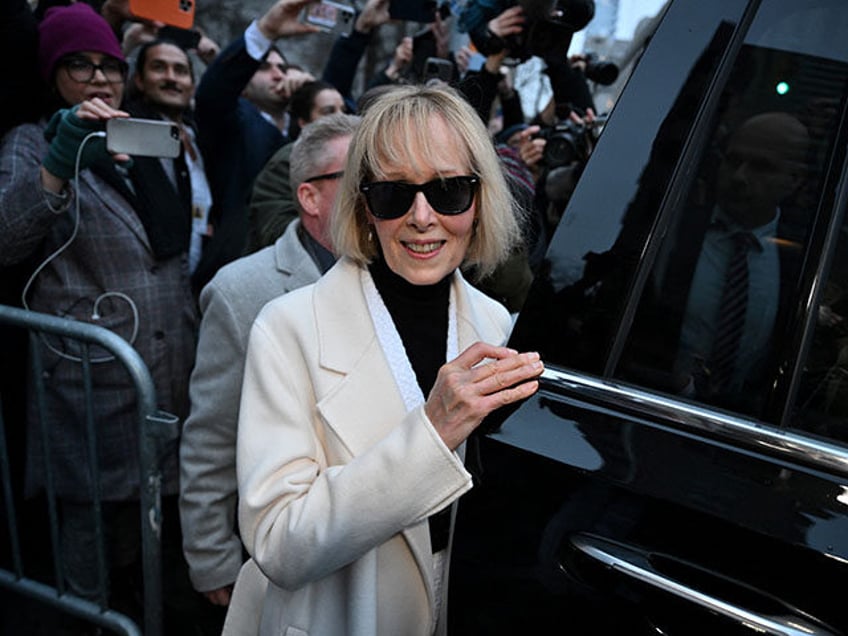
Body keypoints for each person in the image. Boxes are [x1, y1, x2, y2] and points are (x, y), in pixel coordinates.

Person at [224, 83, 544, 635]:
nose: (422, 218)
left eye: (448, 191)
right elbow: (277, 542)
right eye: (394, 195)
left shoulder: (497, 325)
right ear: (365, 207)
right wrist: (430, 433)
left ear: (480, 198)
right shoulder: (288, 328)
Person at [0, 2, 199, 630]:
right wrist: (58, 164)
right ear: (52, 76)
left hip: (164, 379)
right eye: (77, 65)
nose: (97, 79)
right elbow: (5, 237)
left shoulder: (145, 137)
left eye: (109, 65)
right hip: (87, 389)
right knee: (85, 565)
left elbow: (169, 253)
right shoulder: (32, 140)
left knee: (152, 546)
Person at [179, 112, 359, 609]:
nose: (377, 193)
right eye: (359, 178)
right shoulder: (242, 292)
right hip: (280, 553)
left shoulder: (394, 274)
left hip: (365, 547)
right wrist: (211, 555)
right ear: (310, 196)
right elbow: (211, 437)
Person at [191, 0, 317, 293]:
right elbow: (213, 95)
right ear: (243, 84)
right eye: (264, 67)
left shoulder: (298, 125)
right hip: (240, 272)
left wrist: (314, 93)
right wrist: (266, 31)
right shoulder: (235, 121)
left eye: (282, 67)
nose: (278, 74)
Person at [127, 37, 214, 278]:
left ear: (192, 85)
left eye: (180, 70)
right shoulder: (131, 135)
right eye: (158, 67)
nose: (171, 78)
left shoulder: (198, 136)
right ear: (139, 80)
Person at [246, 80, 345, 253]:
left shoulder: (355, 157)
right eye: (328, 112)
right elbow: (275, 229)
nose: (341, 117)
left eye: (343, 110)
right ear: (304, 123)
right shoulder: (285, 163)